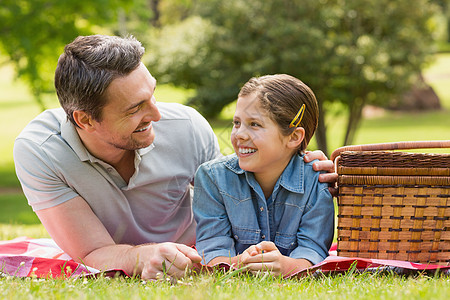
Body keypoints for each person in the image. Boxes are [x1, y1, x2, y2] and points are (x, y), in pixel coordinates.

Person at [13, 35, 336, 280]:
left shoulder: (186, 126)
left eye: (151, 94)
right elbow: (91, 252)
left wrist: (295, 162)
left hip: (199, 254)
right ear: (84, 120)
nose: (156, 113)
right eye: (135, 108)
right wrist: (142, 258)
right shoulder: (41, 151)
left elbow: (235, 187)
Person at [193, 74, 335, 277]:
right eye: (236, 122)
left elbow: (313, 251)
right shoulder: (212, 178)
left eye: (254, 124)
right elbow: (212, 253)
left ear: (294, 137)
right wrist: (242, 262)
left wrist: (286, 267)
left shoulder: (316, 180)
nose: (239, 134)